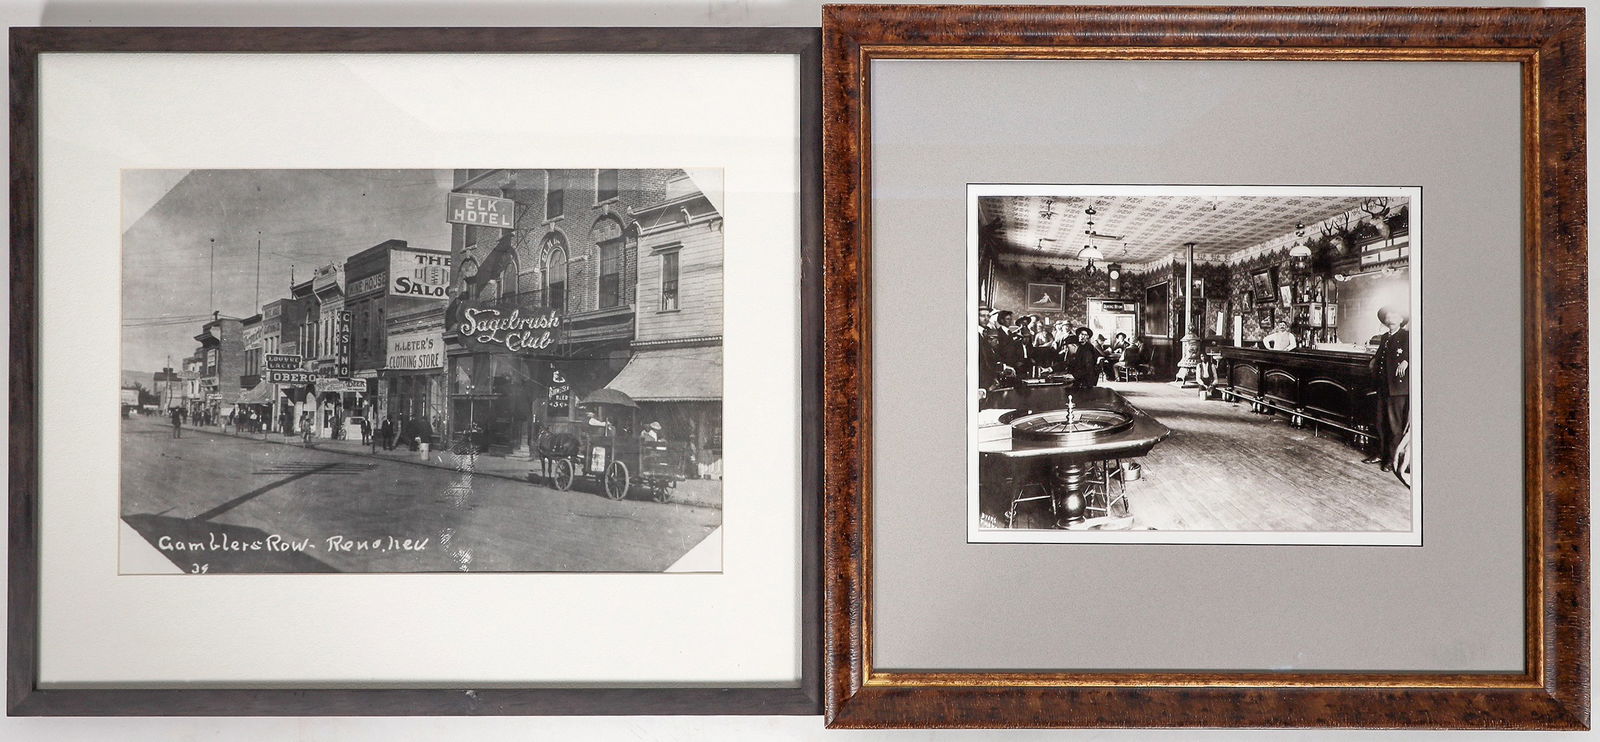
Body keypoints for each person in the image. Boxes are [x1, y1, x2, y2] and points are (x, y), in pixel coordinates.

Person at [1365, 305, 1410, 472]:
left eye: (1394, 315)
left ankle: (1391, 459)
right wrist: (1373, 362)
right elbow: (1380, 357)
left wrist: (1406, 360)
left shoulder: (1407, 336)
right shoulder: (1385, 337)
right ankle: (1380, 453)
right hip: (1383, 386)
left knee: (1394, 425)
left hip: (1397, 388)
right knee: (1380, 422)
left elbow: (1418, 350)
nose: (1390, 318)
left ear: (1401, 319)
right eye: (1388, 316)